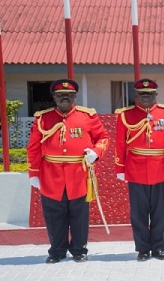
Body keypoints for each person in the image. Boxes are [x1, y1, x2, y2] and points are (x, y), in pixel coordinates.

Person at [27, 78, 110, 264]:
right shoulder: (43, 118)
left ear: (75, 97)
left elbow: (103, 137)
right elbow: (33, 147)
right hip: (51, 174)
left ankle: (79, 250)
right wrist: (33, 173)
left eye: (69, 95)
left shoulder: (87, 116)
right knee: (54, 215)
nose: (64, 98)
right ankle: (56, 251)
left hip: (79, 174)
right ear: (54, 97)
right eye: (60, 95)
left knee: (79, 215)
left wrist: (95, 153)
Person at [115, 78, 164, 261]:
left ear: (156, 95)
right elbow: (120, 143)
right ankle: (143, 249)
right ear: (135, 95)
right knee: (139, 213)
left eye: (150, 94)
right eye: (142, 94)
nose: (146, 97)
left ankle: (159, 248)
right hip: (135, 169)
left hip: (161, 168)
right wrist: (120, 168)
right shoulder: (124, 115)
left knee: (160, 212)